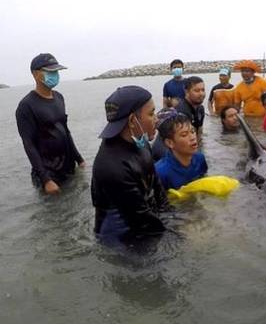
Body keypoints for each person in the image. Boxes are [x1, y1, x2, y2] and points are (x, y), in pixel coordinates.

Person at [91, 86, 172, 243]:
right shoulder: (112, 167)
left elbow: (157, 187)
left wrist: (173, 214)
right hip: (120, 237)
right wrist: (177, 234)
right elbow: (140, 218)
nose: (156, 119)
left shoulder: (141, 142)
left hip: (144, 217)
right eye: (151, 113)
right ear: (132, 121)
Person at [16, 53, 85, 194]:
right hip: (48, 173)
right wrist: (46, 180)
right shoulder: (26, 106)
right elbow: (28, 144)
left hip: (68, 166)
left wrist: (79, 158)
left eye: (56, 71)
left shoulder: (59, 97)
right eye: (50, 71)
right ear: (36, 74)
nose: (55, 74)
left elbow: (65, 131)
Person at [155, 112, 207, 190]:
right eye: (184, 135)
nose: (192, 137)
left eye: (192, 131)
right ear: (170, 143)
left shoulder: (200, 159)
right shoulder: (161, 173)